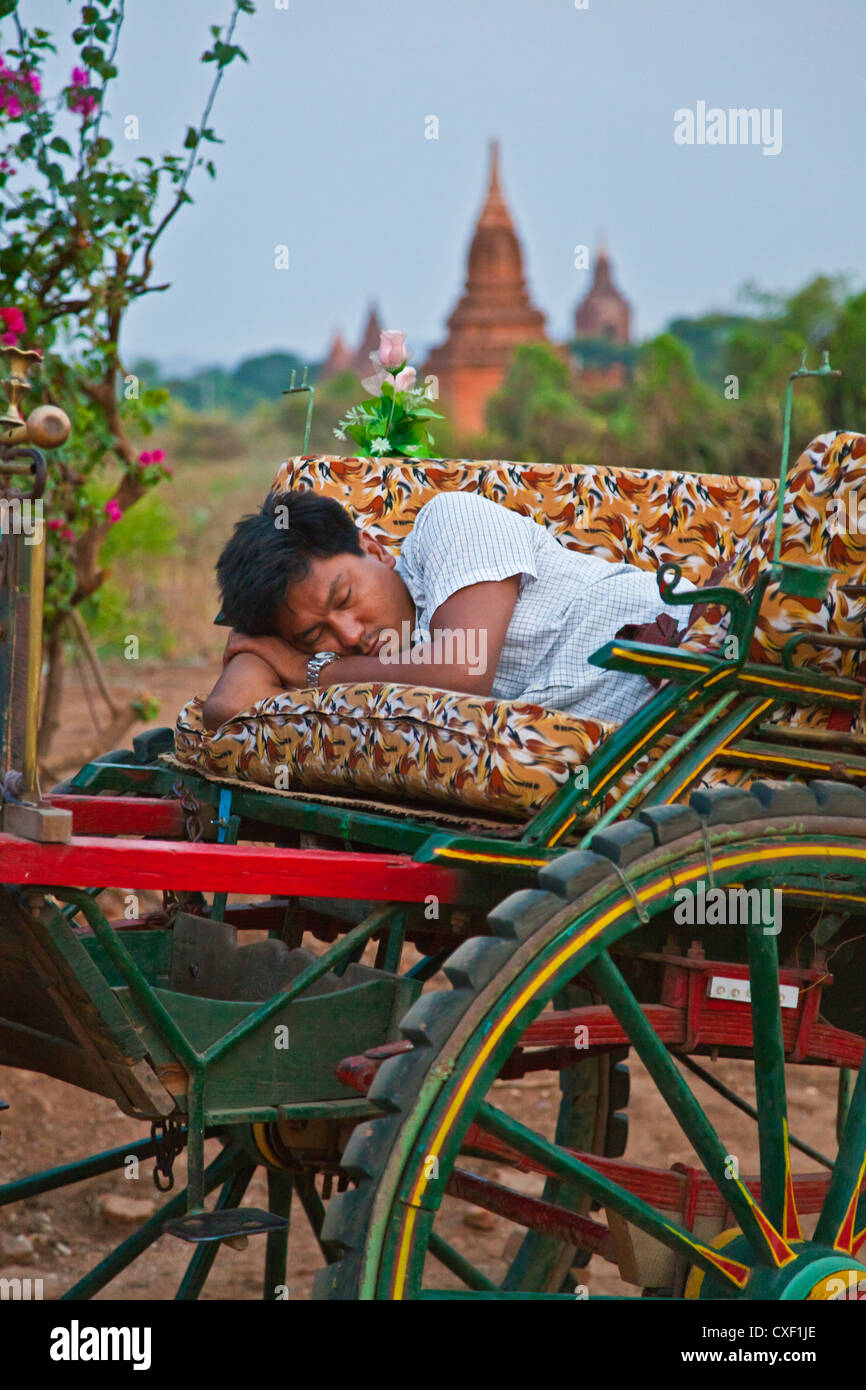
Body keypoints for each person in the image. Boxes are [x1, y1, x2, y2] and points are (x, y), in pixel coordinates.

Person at [202, 488, 695, 733]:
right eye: (315, 634)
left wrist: (311, 668)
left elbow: (467, 666)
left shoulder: (451, 523)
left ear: (372, 549)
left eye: (345, 599)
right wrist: (261, 643)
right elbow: (227, 707)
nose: (349, 634)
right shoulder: (394, 667)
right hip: (630, 737)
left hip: (694, 664)